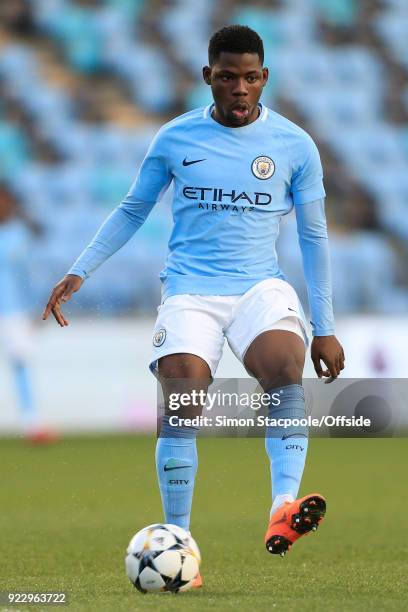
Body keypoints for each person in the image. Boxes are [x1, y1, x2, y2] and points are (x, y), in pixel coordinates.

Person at [43, 25, 344, 583]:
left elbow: (315, 237)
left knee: (285, 367)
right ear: (208, 76)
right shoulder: (176, 139)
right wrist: (80, 269)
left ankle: (283, 508)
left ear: (264, 79)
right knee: (182, 394)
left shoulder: (295, 145)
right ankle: (179, 540)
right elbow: (133, 209)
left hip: (259, 285)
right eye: (227, 77)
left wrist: (323, 326)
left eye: (250, 78)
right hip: (190, 287)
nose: (239, 88)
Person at [0, 184, 55, 443]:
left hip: (12, 310)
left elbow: (27, 275)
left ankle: (31, 421)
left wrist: (34, 307)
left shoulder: (19, 234)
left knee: (20, 362)